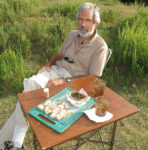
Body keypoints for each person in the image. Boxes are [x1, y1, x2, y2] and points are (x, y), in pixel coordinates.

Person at [0, 2, 108, 149]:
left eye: (87, 20)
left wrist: (64, 80)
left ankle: (11, 141)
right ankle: (17, 142)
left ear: (96, 23)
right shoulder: (71, 35)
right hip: (56, 71)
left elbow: (93, 78)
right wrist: (49, 64)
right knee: (32, 83)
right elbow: (59, 54)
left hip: (75, 84)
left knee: (26, 99)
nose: (82, 24)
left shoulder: (100, 46)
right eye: (80, 19)